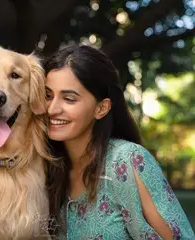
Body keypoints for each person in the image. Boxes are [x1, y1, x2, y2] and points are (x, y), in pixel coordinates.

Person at [44, 45, 195, 240]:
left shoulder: (127, 161)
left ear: (102, 108)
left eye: (69, 99)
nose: (52, 109)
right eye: (47, 96)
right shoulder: (45, 167)